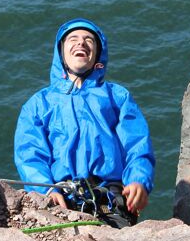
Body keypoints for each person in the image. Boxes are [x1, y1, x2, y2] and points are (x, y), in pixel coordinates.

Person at [14, 18, 155, 228]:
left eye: (89, 40)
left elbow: (136, 145)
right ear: (60, 51)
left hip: (110, 198)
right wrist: (47, 190)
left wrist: (138, 181)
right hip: (60, 199)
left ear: (98, 53)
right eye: (73, 38)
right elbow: (30, 154)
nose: (81, 43)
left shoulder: (117, 96)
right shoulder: (38, 104)